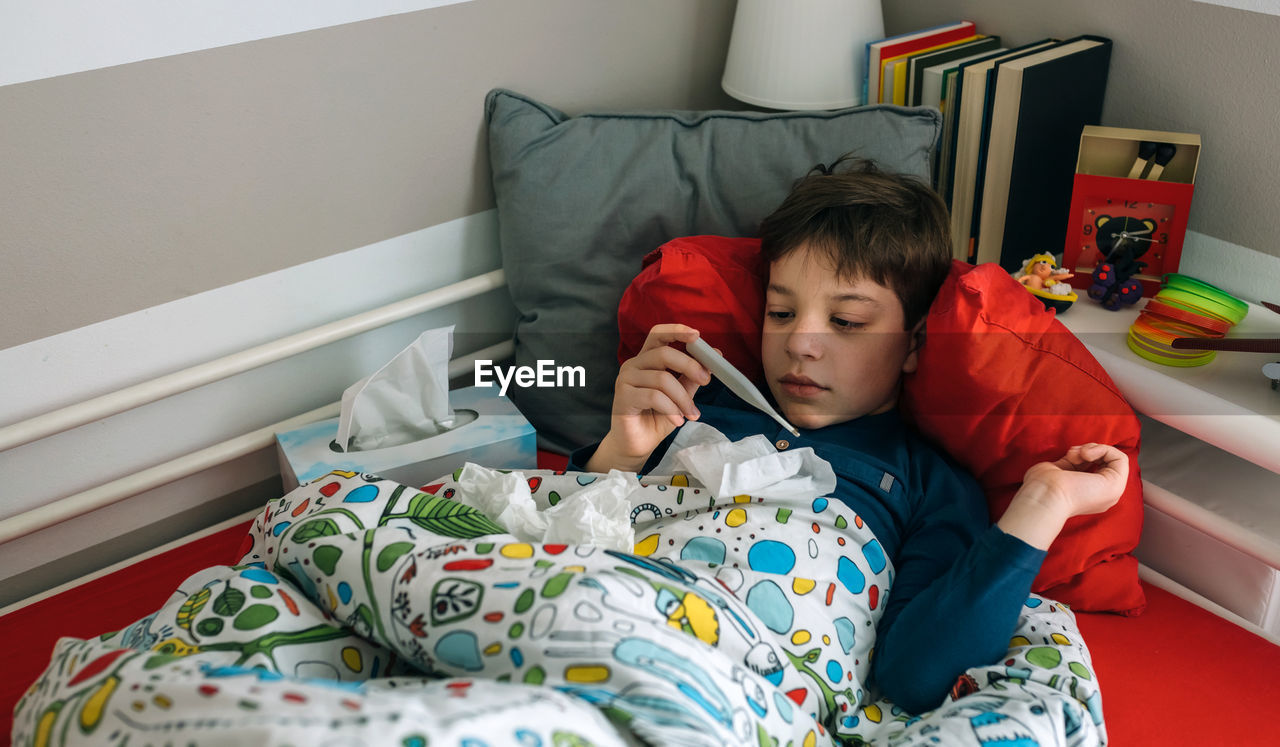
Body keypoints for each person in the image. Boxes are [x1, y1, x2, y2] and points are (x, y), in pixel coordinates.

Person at [573, 157, 1128, 714]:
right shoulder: (694, 407)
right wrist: (621, 454)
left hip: (738, 690)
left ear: (912, 344)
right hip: (595, 624)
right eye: (782, 312)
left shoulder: (929, 483)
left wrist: (1043, 503)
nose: (801, 344)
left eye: (847, 322)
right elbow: (560, 535)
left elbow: (916, 677)